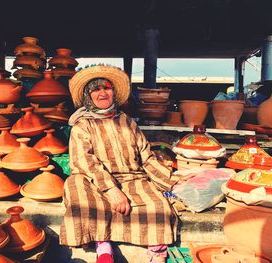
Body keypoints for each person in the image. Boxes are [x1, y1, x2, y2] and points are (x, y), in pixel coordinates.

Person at [60, 65, 189, 263]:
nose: (103, 92)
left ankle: (156, 252)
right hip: (95, 181)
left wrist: (172, 181)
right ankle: (103, 248)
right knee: (78, 191)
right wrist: (111, 189)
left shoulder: (128, 122)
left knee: (158, 207)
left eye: (107, 87)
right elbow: (84, 161)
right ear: (88, 95)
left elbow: (146, 156)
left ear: (113, 92)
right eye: (96, 89)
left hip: (132, 179)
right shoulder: (82, 125)